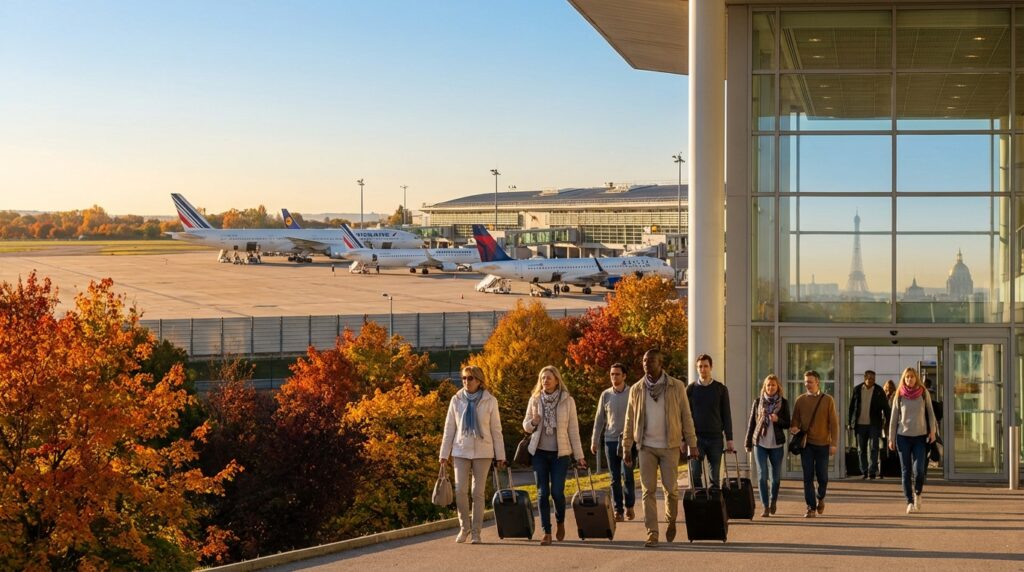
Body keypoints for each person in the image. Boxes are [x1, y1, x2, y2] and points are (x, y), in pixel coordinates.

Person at [622, 348, 698, 548]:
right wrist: (626, 446)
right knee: (648, 490)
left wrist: (692, 443)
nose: (646, 364)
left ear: (660, 363)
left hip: (669, 446)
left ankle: (671, 520)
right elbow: (629, 419)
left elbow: (686, 416)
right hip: (645, 446)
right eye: (644, 361)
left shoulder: (676, 386)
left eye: (651, 361)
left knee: (671, 489)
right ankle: (652, 533)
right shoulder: (637, 389)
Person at [439, 365, 506, 544]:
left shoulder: (490, 401)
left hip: (483, 451)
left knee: (477, 493)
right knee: (460, 491)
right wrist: (444, 453)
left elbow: (496, 430)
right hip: (461, 450)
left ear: (479, 380)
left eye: (470, 378)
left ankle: (476, 532)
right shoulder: (456, 399)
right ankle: (464, 527)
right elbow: (449, 428)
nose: (466, 381)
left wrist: (500, 455)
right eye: (463, 378)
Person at [523, 365, 586, 546]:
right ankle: (546, 532)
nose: (545, 381)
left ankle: (560, 521)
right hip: (539, 453)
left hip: (560, 455)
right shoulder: (535, 399)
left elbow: (573, 430)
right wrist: (533, 422)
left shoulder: (567, 401)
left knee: (557, 492)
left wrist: (579, 456)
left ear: (557, 380)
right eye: (543, 378)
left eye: (549, 378)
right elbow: (526, 426)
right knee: (542, 493)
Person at [789, 370, 839, 518]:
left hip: (823, 444)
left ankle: (820, 497)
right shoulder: (800, 400)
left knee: (822, 476)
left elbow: (834, 424)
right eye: (805, 382)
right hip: (807, 445)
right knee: (808, 476)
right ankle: (810, 507)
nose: (807, 384)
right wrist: (794, 428)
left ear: (817, 382)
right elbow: (794, 421)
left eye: (810, 382)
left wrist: (833, 443)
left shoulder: (828, 400)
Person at [591, 362, 637, 522]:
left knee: (627, 475)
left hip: (628, 442)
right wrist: (594, 440)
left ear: (624, 376)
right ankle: (618, 510)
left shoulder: (632, 393)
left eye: (617, 374)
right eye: (612, 374)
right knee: (614, 478)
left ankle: (629, 505)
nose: (614, 377)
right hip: (610, 441)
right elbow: (599, 420)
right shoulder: (605, 395)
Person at [888, 367, 937, 514]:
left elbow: (930, 413)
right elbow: (894, 418)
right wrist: (891, 438)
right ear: (904, 379)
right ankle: (909, 501)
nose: (909, 379)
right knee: (906, 470)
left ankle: (918, 493)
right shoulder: (899, 394)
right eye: (907, 377)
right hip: (902, 437)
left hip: (920, 437)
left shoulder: (923, 393)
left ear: (916, 378)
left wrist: (933, 431)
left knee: (919, 470)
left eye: (912, 377)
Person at [744, 374, 790, 517]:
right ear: (764, 387)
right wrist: (748, 443)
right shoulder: (758, 402)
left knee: (775, 478)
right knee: (762, 475)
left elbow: (787, 423)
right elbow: (752, 423)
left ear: (778, 387)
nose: (770, 387)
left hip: (776, 445)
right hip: (760, 444)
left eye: (773, 385)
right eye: (768, 385)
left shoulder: (783, 403)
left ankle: (773, 500)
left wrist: (778, 420)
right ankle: (765, 506)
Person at [686, 354, 734, 489]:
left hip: (715, 439)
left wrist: (729, 439)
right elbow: (685, 416)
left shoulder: (720, 389)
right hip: (696, 439)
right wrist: (683, 439)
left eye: (706, 366)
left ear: (711, 367)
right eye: (700, 366)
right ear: (697, 368)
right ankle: (700, 501)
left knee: (715, 478)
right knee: (695, 475)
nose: (703, 369)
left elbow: (726, 415)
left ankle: (714, 502)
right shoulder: (690, 389)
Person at [847, 369, 889, 480]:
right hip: (860, 425)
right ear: (864, 378)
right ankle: (864, 471)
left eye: (873, 379)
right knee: (861, 449)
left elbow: (886, 408)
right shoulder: (857, 389)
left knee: (874, 448)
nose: (871, 381)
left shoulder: (879, 391)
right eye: (869, 378)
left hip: (874, 424)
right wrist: (850, 422)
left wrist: (888, 423)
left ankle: (872, 471)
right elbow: (851, 408)